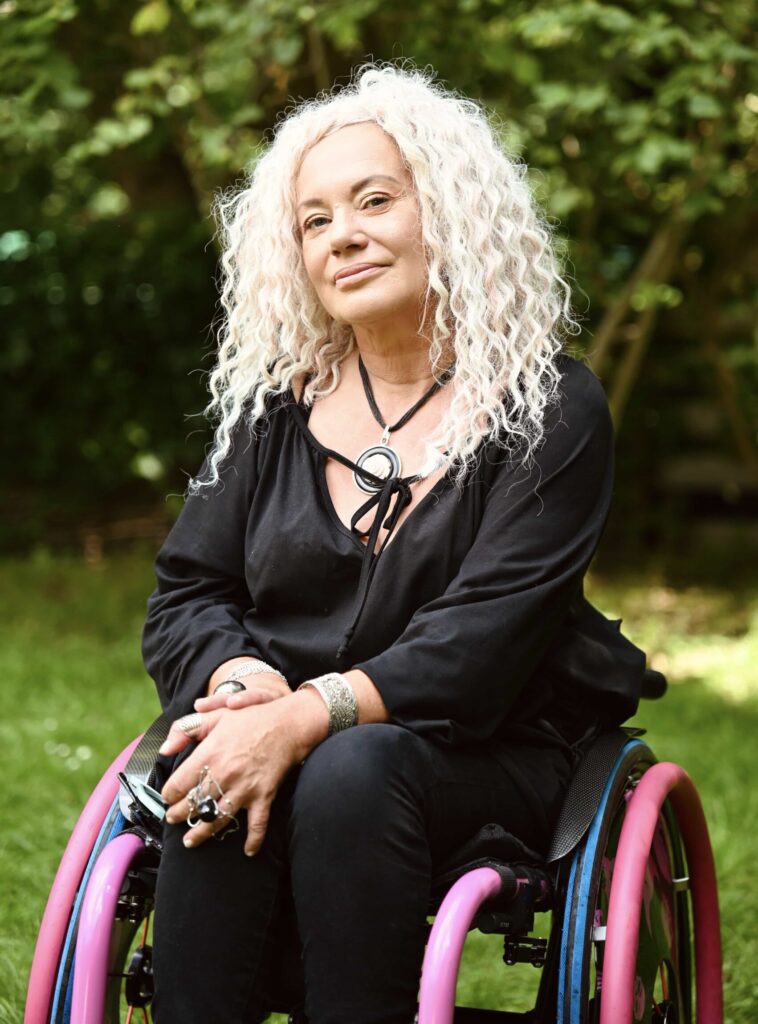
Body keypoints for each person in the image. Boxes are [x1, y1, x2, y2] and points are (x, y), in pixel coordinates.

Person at [142, 64, 645, 1023]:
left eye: (375, 201)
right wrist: (244, 687)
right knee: (215, 761)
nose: (343, 235)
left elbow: (480, 645)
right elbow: (187, 593)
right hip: (283, 728)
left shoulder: (550, 410)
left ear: (449, 213)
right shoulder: (272, 413)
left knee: (352, 766)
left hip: (484, 750)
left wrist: (308, 718)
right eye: (315, 220)